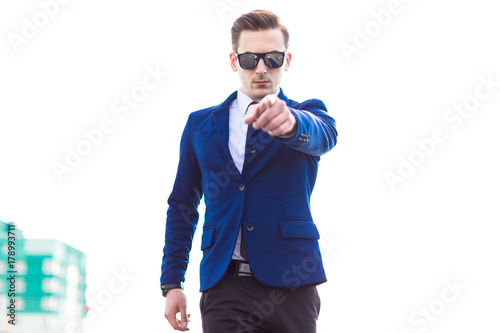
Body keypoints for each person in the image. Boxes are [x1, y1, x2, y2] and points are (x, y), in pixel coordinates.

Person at [161, 9, 338, 333]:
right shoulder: (200, 125)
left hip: (292, 283)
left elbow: (322, 137)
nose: (261, 68)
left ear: (286, 60)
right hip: (225, 286)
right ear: (233, 61)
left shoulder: (308, 114)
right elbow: (183, 205)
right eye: (249, 59)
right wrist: (172, 282)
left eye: (272, 58)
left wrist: (290, 125)